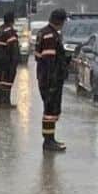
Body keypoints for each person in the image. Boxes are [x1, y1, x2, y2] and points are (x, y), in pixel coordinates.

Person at [35, 8, 69, 152]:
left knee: (51, 110)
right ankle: (48, 142)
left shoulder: (44, 32)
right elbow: (49, 60)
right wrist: (52, 81)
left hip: (46, 77)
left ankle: (50, 139)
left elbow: (39, 56)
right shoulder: (50, 36)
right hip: (50, 79)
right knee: (50, 110)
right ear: (60, 21)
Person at [0, 10, 20, 107]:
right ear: (12, 21)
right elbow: (14, 49)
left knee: (2, 80)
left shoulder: (0, 30)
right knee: (8, 81)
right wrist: (15, 62)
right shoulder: (10, 32)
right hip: (7, 61)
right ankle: (5, 102)